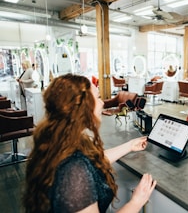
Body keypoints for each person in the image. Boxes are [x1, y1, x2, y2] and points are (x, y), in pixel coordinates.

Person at [23, 74, 156, 213]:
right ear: (82, 107)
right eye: (98, 97)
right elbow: (80, 165)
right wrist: (136, 201)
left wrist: (129, 146)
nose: (102, 103)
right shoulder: (73, 171)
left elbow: (92, 161)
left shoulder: (58, 139)